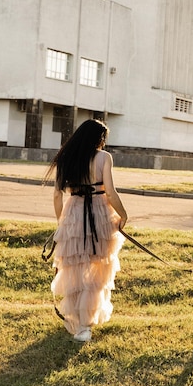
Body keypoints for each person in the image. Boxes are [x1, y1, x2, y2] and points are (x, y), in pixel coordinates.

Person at [45, 119, 128, 342]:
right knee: (96, 270)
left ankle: (77, 322)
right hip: (100, 213)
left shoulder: (65, 156)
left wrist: (61, 223)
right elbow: (110, 192)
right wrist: (123, 215)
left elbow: (56, 195)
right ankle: (85, 326)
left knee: (75, 270)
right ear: (98, 138)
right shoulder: (104, 158)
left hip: (73, 212)